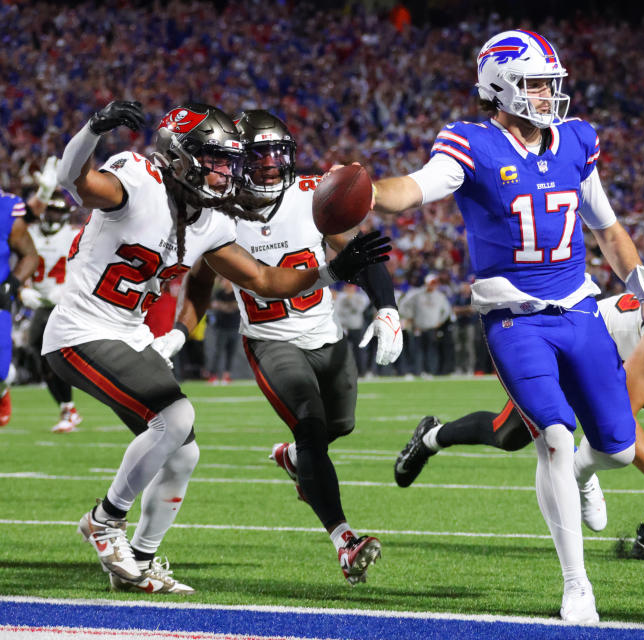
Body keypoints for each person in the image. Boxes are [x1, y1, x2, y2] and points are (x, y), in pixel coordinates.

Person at [365, 30, 644, 622]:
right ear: (498, 87)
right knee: (551, 434)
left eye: (551, 82)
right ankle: (577, 585)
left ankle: (583, 474)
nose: (549, 94)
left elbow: (607, 228)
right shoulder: (472, 144)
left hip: (580, 310)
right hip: (514, 319)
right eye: (534, 83)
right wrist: (366, 192)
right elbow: (412, 191)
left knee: (621, 450)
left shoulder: (577, 139)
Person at [46, 100, 391, 594]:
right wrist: (90, 130)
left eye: (230, 160)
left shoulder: (210, 220)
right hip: (81, 328)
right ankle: (104, 522)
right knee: (177, 416)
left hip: (129, 331)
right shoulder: (139, 180)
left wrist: (333, 271)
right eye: (215, 159)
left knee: (183, 454)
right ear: (180, 156)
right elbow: (73, 180)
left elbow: (265, 279)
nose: (227, 171)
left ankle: (139, 563)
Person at [169, 110, 402, 585]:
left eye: (280, 151)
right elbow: (199, 285)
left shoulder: (312, 197)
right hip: (271, 340)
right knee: (312, 427)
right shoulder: (218, 213)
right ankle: (344, 540)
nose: (274, 162)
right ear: (239, 159)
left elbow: (362, 254)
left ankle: (294, 461)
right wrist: (180, 332)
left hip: (325, 333)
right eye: (261, 153)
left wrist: (387, 308)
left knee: (339, 425)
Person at [385, 291, 644, 562]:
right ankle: (432, 436)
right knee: (509, 434)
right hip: (583, 342)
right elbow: (621, 420)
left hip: (629, 354)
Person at [22, 159, 83, 432]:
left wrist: (68, 290)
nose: (53, 217)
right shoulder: (31, 232)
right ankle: (66, 409)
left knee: (56, 358)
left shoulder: (73, 236)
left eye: (59, 214)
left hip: (62, 306)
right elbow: (19, 259)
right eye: (50, 212)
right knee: (40, 358)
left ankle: (69, 409)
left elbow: (86, 269)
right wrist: (24, 288)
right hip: (39, 305)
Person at [0, 174, 40, 427]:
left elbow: (30, 256)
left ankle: (2, 390)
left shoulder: (6, 211)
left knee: (1, 372)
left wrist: (11, 285)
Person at [398, 273, 452, 376]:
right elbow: (403, 305)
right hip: (418, 327)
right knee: (416, 350)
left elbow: (447, 310)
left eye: (435, 283)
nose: (433, 285)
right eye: (432, 283)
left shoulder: (440, 296)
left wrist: (440, 321)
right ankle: (417, 371)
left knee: (432, 350)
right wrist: (409, 316)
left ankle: (431, 371)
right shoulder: (416, 294)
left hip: (432, 327)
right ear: (426, 283)